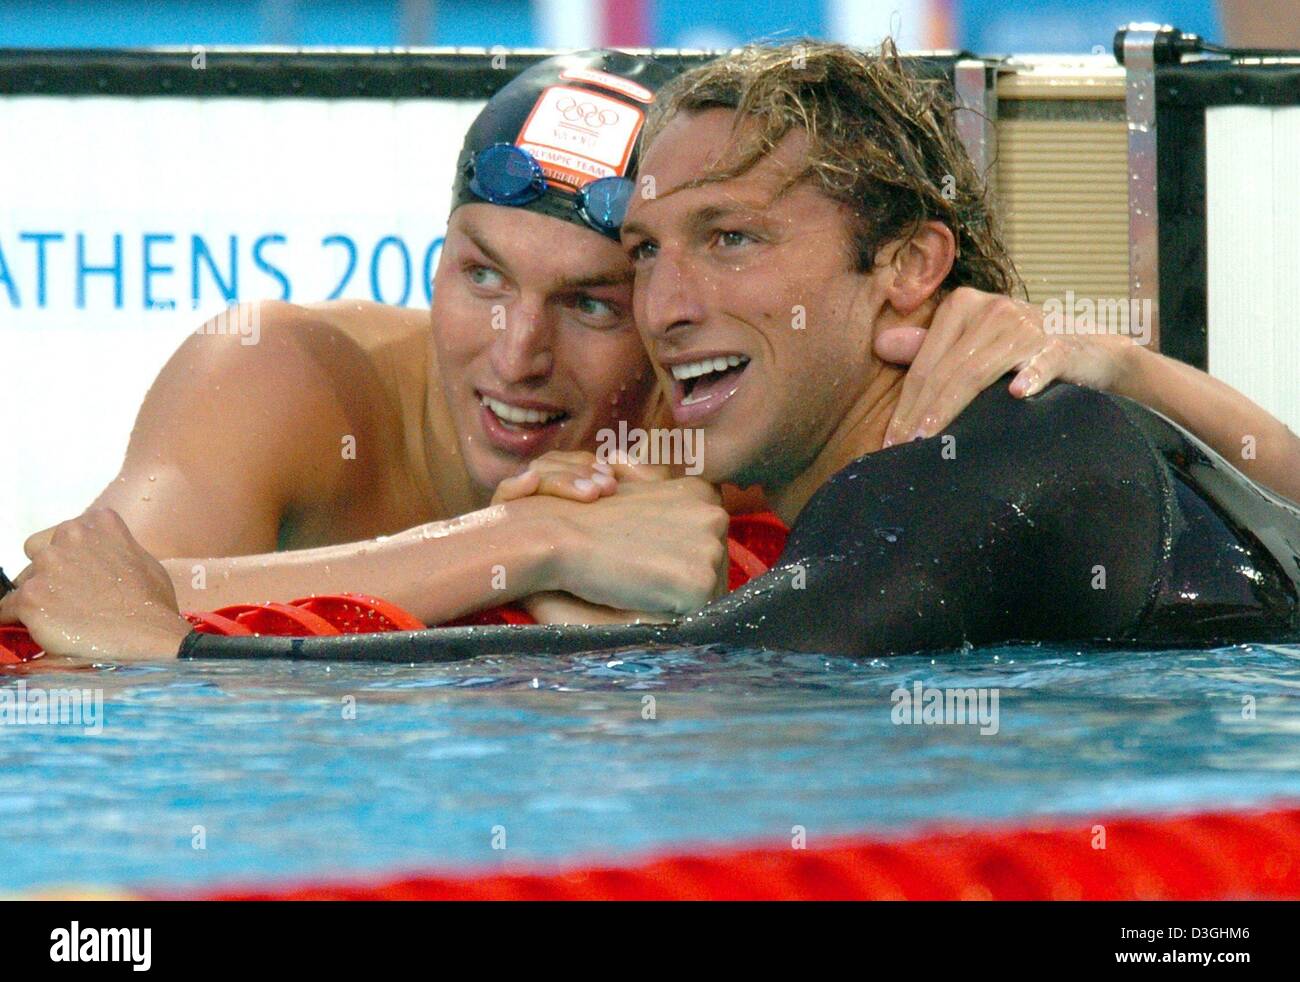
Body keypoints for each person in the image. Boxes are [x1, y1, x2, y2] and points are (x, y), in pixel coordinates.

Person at [6, 41, 1300, 661]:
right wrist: (540, 555)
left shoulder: (964, 459)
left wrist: (196, 649)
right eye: (656, 256)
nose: (517, 354)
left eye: (726, 243)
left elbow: (732, 674)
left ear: (907, 267)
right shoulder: (280, 368)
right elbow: (64, 612)